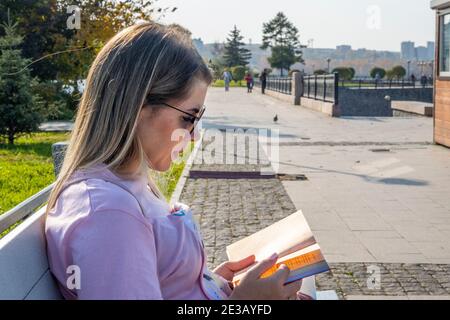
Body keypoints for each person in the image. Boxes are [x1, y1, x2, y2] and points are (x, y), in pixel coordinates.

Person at [44, 22, 305, 300]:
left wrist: (208, 282)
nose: (193, 136)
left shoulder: (124, 187)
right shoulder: (108, 212)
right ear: (138, 106)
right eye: (188, 118)